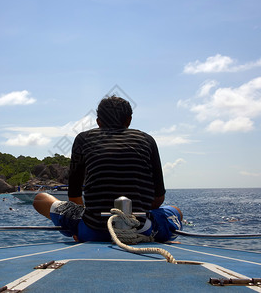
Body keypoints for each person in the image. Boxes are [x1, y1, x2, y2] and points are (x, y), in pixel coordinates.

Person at [33, 95, 183, 242]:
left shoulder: (83, 139)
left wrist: (87, 220)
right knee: (177, 211)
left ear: (98, 122)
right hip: (142, 229)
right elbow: (158, 199)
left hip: (92, 230)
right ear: (129, 120)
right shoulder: (147, 140)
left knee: (40, 199)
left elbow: (74, 196)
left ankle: (81, 229)